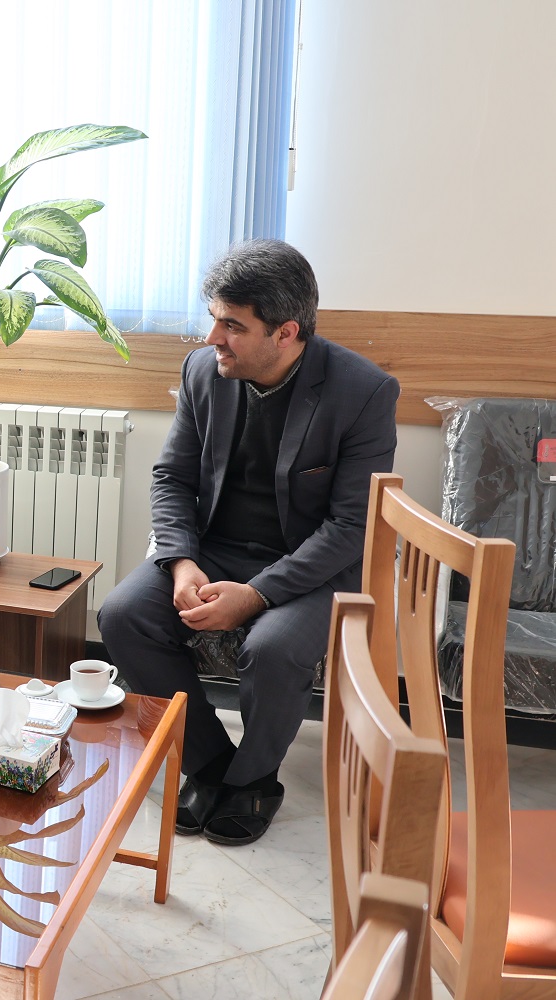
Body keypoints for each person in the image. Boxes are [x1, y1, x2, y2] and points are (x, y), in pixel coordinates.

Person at [98, 239, 398, 847]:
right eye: (214, 318)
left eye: (232, 325)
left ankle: (255, 779)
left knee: (274, 648)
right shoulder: (202, 371)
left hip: (312, 563)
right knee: (123, 615)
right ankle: (209, 763)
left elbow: (351, 525)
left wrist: (256, 595)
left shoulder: (363, 392)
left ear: (286, 333)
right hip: (213, 548)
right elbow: (172, 477)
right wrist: (182, 563)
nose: (214, 338)